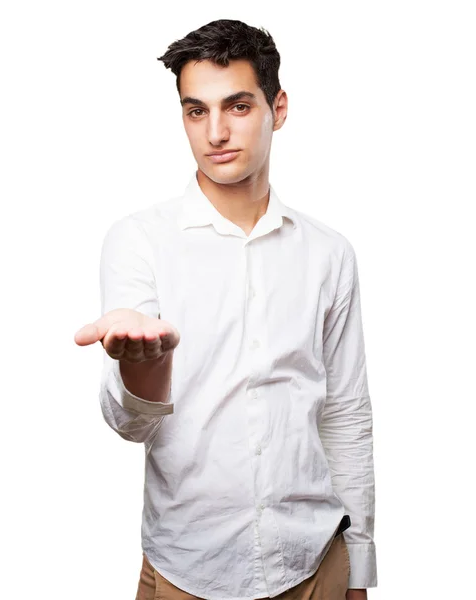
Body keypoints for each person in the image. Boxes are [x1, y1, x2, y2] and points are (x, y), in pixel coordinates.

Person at [74, 18, 377, 600]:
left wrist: (359, 564)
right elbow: (130, 425)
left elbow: (346, 413)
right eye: (195, 111)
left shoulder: (329, 252)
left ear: (278, 108)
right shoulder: (138, 240)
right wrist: (144, 366)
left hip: (316, 562)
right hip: (187, 570)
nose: (215, 131)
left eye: (237, 106)